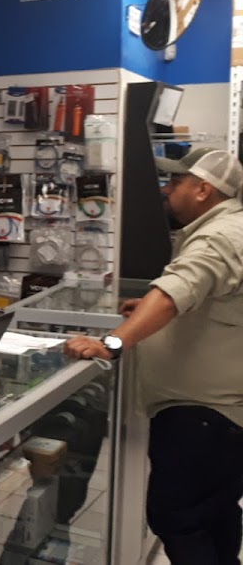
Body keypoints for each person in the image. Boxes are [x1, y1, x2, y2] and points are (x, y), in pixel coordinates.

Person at [65, 148, 243, 565]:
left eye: (176, 181)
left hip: (203, 416)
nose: (166, 189)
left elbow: (174, 293)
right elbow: (201, 298)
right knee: (215, 514)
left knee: (179, 521)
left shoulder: (218, 237)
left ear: (203, 189)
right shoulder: (230, 227)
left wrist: (111, 344)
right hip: (222, 414)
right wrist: (147, 307)